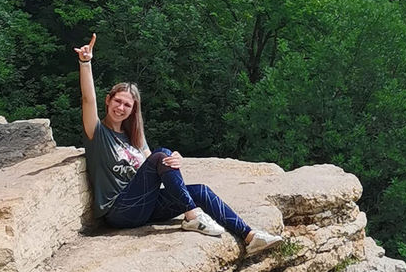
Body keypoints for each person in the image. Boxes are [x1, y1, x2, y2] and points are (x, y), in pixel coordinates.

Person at [75, 34, 283, 254]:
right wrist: (85, 63)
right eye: (117, 101)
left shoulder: (134, 137)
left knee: (200, 190)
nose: (121, 107)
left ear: (133, 110)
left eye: (127, 105)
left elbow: (155, 165)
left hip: (144, 205)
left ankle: (250, 237)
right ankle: (192, 215)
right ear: (108, 100)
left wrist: (175, 159)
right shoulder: (97, 133)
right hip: (120, 211)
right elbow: (88, 99)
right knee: (161, 154)